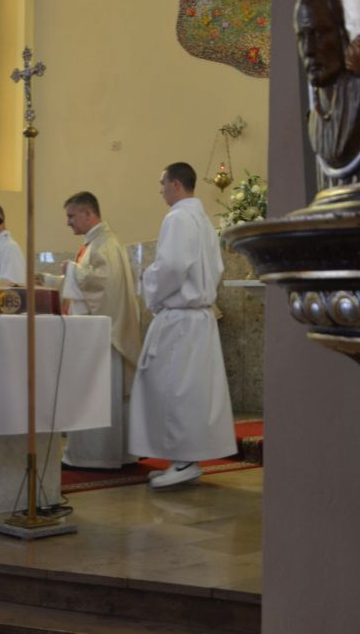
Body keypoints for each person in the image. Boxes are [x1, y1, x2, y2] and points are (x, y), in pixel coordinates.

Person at [128, 162, 237, 489]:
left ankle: (185, 460)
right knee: (190, 392)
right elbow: (215, 268)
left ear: (176, 184)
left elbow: (173, 266)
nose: (159, 189)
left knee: (174, 391)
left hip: (181, 319)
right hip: (198, 317)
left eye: (162, 183)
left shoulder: (177, 218)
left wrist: (149, 278)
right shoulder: (203, 220)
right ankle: (182, 458)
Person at [41, 192, 142, 469]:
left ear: (88, 213)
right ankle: (101, 453)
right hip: (91, 336)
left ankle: (97, 456)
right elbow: (86, 286)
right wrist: (51, 279)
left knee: (95, 392)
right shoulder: (96, 243)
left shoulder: (105, 244)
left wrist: (72, 272)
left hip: (100, 340)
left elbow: (103, 285)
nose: (68, 223)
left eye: (72, 216)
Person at [296, 0, 360, 170]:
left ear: (342, 34)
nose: (308, 49)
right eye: (302, 37)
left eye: (319, 33)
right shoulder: (314, 115)